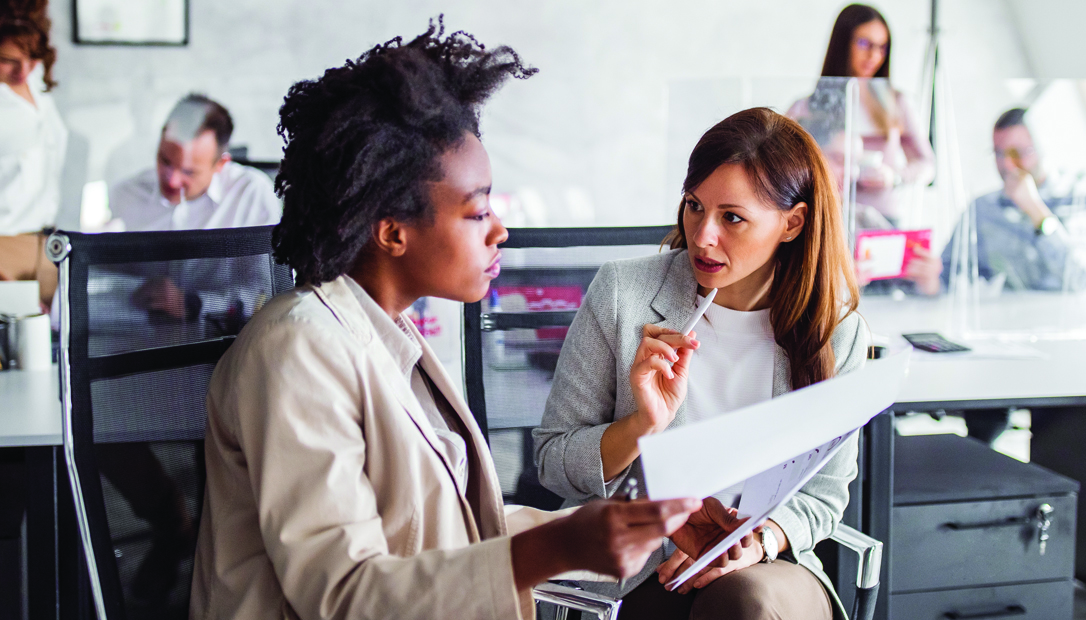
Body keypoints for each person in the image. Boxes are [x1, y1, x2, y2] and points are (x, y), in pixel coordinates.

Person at [190, 21, 706, 620]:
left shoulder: (385, 334)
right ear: (392, 231)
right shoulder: (296, 351)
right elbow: (343, 596)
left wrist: (642, 528)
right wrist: (556, 548)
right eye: (477, 210)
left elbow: (453, 530)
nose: (500, 230)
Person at [534, 108, 870, 620]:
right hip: (641, 562)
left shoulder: (836, 333)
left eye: (732, 217)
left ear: (792, 222)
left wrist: (757, 542)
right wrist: (643, 425)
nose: (703, 234)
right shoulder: (624, 295)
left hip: (766, 566)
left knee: (744, 601)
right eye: (694, 206)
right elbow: (554, 463)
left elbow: (822, 497)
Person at [790, 4, 939, 296]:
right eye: (864, 44)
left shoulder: (896, 103)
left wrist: (894, 177)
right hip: (828, 227)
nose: (874, 56)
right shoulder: (806, 108)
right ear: (842, 44)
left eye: (882, 47)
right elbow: (782, 173)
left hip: (882, 228)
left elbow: (927, 164)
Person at [108, 93, 280, 232]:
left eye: (189, 171)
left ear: (221, 164)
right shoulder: (127, 195)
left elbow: (266, 273)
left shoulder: (252, 194)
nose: (171, 180)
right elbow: (105, 271)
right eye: (165, 161)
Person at [0, 5, 66, 308]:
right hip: (5, 251)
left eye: (31, 58)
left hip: (48, 246)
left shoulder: (36, 81)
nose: (22, 71)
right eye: (7, 61)